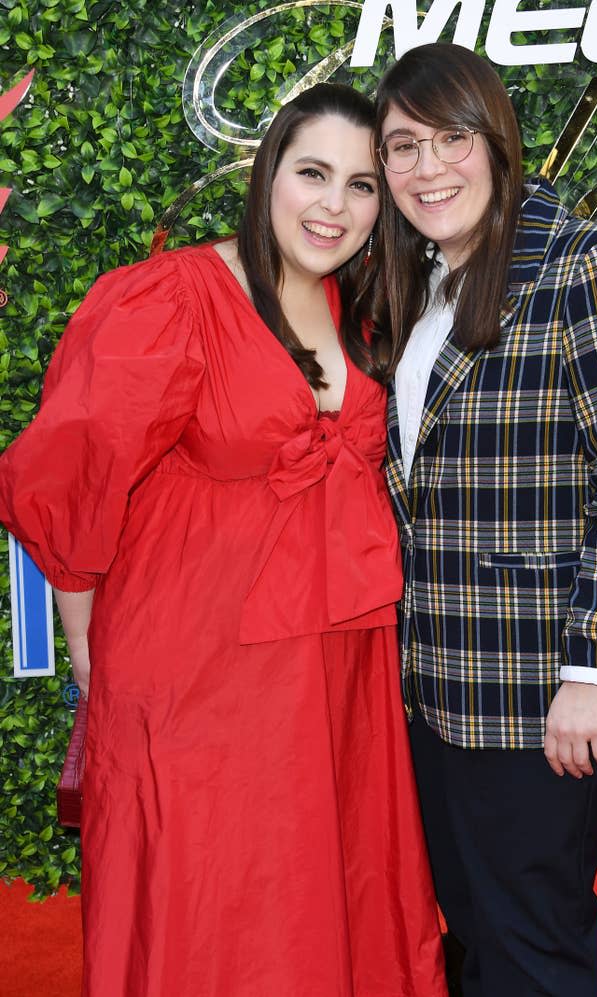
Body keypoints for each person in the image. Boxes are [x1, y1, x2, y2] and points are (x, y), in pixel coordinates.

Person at [0, 83, 447, 997]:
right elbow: (70, 473)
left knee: (324, 889)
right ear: (265, 172)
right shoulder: (170, 297)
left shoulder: (363, 311)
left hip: (336, 669)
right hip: (193, 669)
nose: (335, 205)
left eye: (362, 186)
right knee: (202, 902)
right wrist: (87, 640)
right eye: (313, 173)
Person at [372, 43, 597, 997]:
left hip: (535, 693)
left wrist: (593, 673)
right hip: (430, 684)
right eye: (402, 147)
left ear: (497, 140)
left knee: (532, 943)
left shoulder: (590, 263)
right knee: (473, 930)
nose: (428, 169)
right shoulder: (414, 281)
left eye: (450, 139)